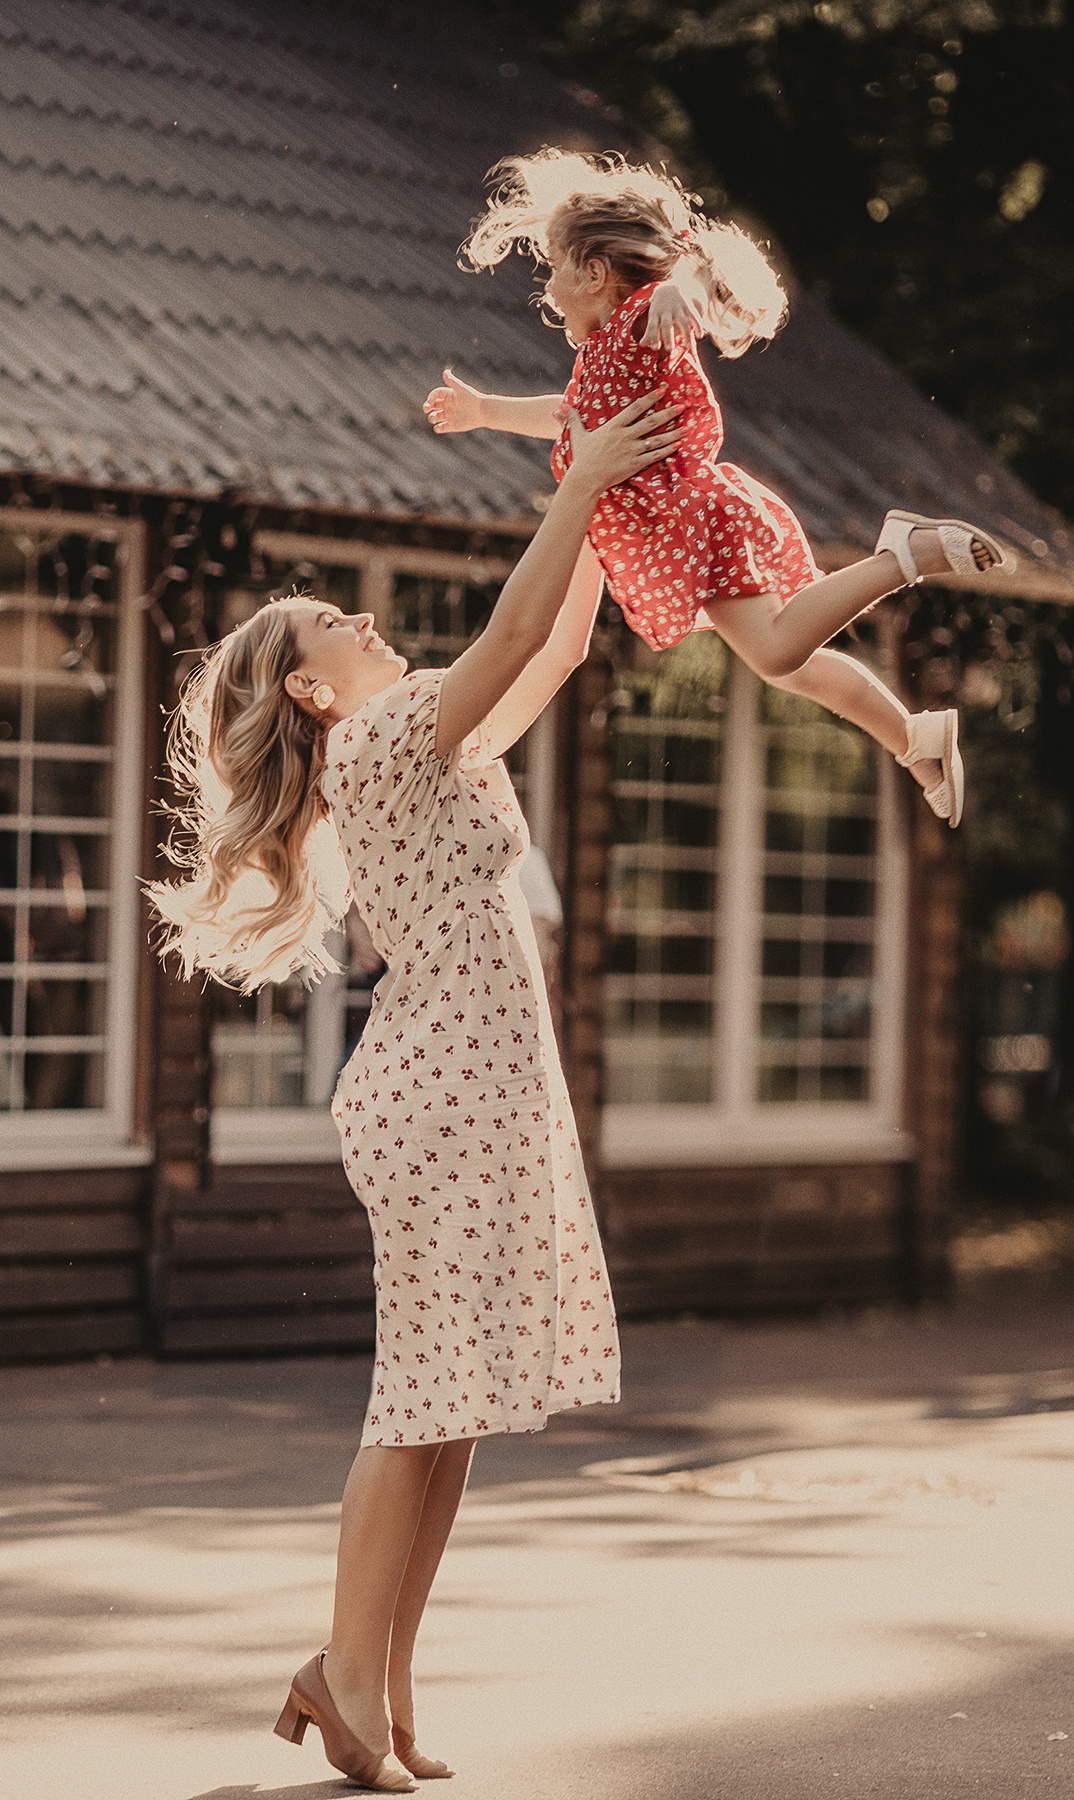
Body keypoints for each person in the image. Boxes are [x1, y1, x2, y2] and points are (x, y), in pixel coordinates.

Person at [147, 389, 685, 1791]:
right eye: (341, 626)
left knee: (449, 1412)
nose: (368, 624)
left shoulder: (437, 743)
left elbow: (556, 639)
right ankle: (341, 1679)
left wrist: (601, 490)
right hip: (442, 1098)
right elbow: (510, 629)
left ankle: (382, 1690)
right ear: (314, 691)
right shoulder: (379, 744)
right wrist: (582, 491)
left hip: (473, 1088)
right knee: (416, 1406)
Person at [426, 149, 1017, 829]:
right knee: (791, 667)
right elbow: (565, 420)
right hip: (667, 526)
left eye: (554, 269)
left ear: (594, 274)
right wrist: (486, 411)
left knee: (775, 650)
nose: (546, 288)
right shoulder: (602, 369)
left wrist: (688, 287)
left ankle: (901, 555)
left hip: (691, 523)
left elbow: (703, 275)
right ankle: (915, 741)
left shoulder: (643, 322)